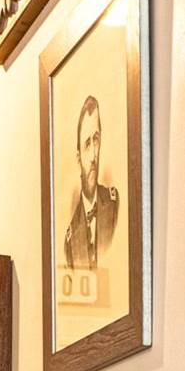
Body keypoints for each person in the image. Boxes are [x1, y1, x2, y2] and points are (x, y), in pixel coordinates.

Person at [63, 94, 121, 270]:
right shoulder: (70, 240)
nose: (93, 156)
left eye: (96, 140)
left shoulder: (114, 203)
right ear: (78, 158)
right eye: (87, 144)